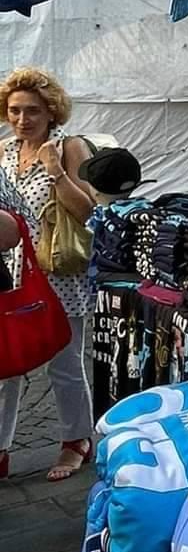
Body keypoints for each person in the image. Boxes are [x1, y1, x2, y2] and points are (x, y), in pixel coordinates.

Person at [0, 68, 95, 480]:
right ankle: (0, 448)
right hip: (12, 273)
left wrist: (55, 170)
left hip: (59, 273)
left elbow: (87, 211)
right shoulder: (4, 151)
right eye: (15, 110)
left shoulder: (70, 147)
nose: (22, 120)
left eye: (33, 111)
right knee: (6, 363)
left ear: (52, 111)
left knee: (64, 362)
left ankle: (77, 441)